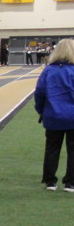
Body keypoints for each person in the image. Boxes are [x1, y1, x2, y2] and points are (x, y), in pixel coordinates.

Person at [34, 39, 74, 192]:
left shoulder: (48, 71)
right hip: (72, 116)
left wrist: (40, 110)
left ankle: (50, 181)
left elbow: (39, 93)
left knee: (52, 148)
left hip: (53, 115)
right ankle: (70, 182)